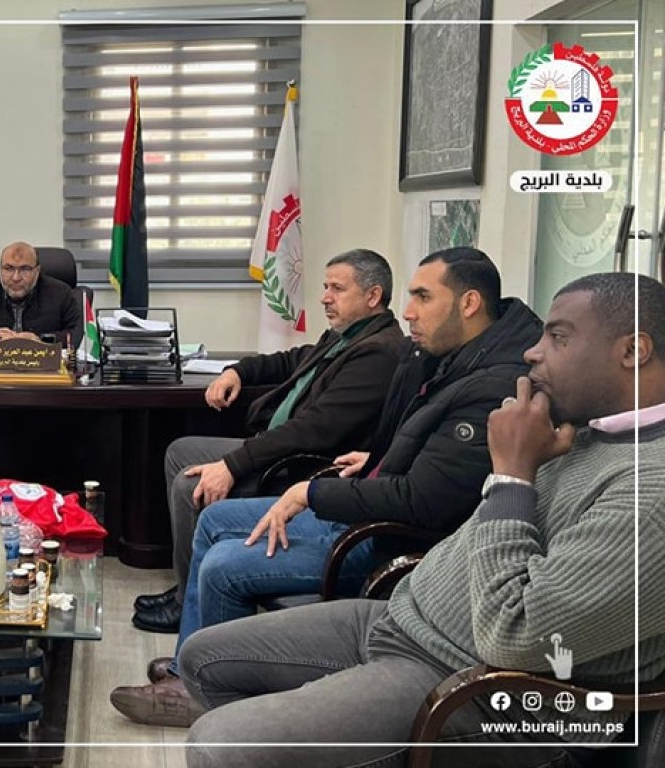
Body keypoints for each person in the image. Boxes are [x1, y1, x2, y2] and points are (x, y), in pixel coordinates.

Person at [176, 271, 665, 768]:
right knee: (202, 659)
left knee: (218, 746)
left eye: (558, 338)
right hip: (409, 622)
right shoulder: (583, 430)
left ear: (633, 351)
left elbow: (516, 635)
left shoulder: (650, 495)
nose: (532, 353)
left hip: (482, 693)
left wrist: (512, 475)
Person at [112, 246, 543, 727]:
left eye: (423, 297)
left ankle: (200, 693)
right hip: (366, 497)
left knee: (223, 565)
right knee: (213, 518)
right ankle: (188, 663)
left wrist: (309, 493)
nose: (408, 311)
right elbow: (425, 452)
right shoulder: (448, 355)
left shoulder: (484, 384)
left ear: (469, 303)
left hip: (385, 537)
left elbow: (423, 499)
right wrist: (377, 460)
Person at [135, 249, 407, 633]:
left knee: (189, 482)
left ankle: (187, 603)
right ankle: (189, 589)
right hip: (276, 447)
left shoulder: (378, 353)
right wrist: (238, 371)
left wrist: (232, 465)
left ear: (373, 295)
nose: (324, 297)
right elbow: (291, 360)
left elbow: (313, 431)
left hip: (299, 466)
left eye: (337, 288)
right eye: (325, 287)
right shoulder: (348, 336)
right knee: (180, 451)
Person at [0, 241, 83, 345]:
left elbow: (76, 333)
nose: (16, 278)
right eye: (9, 269)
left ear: (37, 271)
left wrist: (40, 340)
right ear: (0, 270)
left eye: (25, 269)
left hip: (43, 365)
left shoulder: (60, 293)